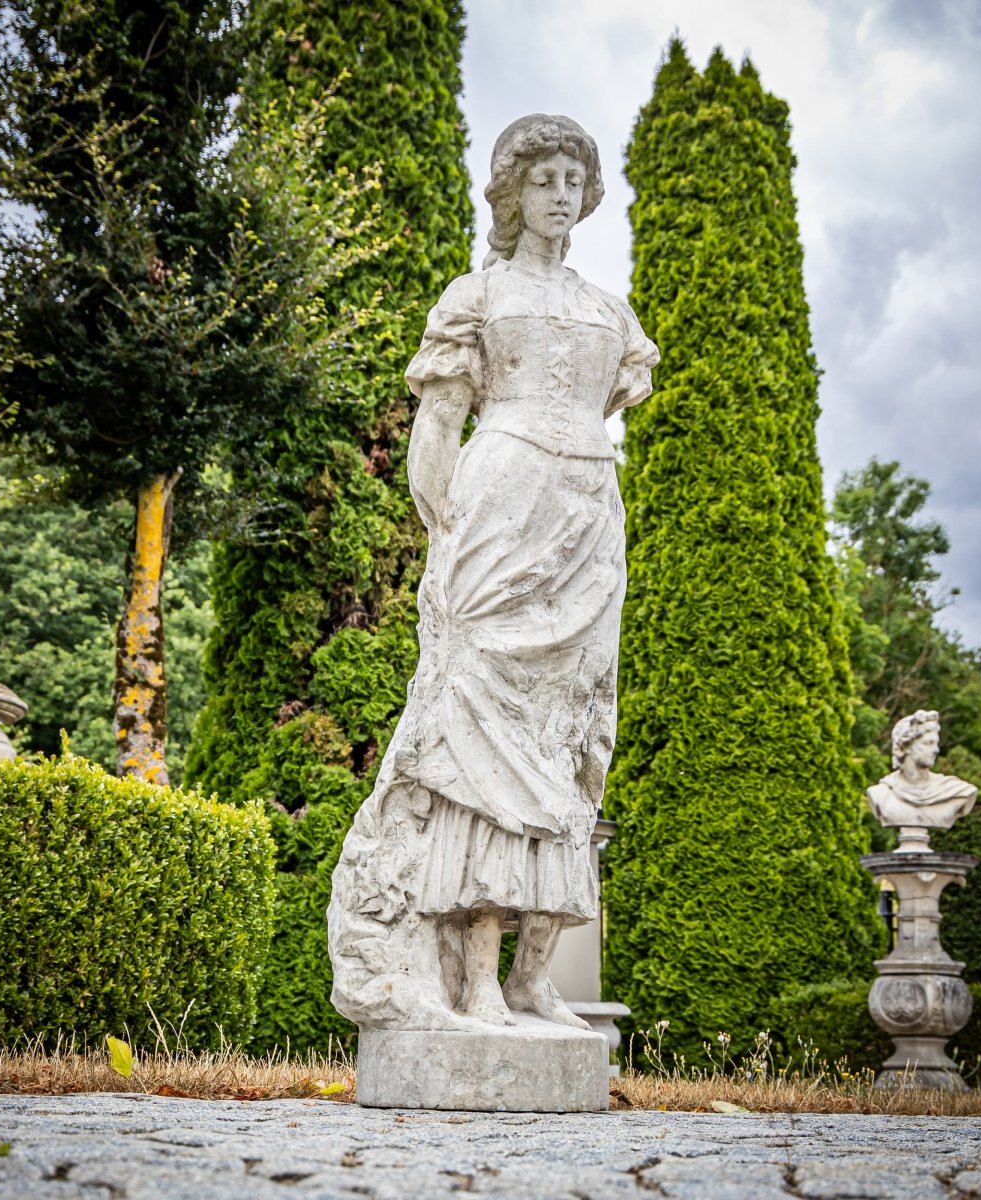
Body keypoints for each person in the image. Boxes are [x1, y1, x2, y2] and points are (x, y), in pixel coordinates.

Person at [328, 114, 659, 1033]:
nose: (560, 193)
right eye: (543, 177)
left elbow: (613, 397)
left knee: (572, 736)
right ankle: (473, 978)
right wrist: (444, 539)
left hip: (589, 519)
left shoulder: (610, 315)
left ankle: (533, 977)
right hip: (500, 511)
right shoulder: (475, 295)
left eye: (571, 178)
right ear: (512, 193)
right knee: (480, 727)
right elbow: (436, 430)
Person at [866, 709, 978, 830]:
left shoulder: (957, 791)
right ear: (905, 747)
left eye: (936, 743)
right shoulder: (881, 794)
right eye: (928, 743)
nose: (936, 750)